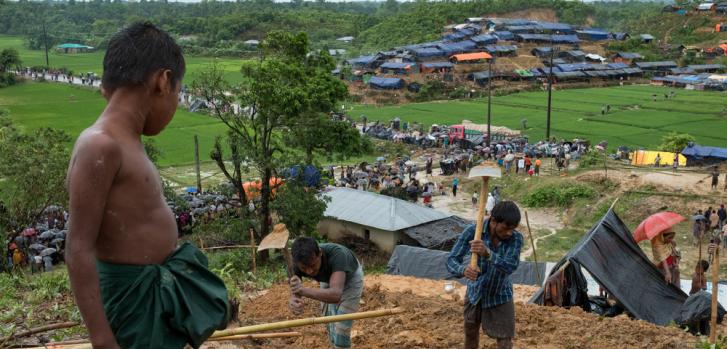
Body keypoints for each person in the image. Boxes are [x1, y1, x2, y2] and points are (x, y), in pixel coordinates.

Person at [65, 22, 228, 349]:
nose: (176, 103)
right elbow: (77, 248)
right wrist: (102, 340)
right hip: (132, 306)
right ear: (163, 81)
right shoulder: (101, 145)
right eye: (179, 93)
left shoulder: (129, 140)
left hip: (152, 298)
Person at [446, 201, 523, 349]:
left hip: (500, 294)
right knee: (470, 333)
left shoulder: (516, 239)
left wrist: (488, 254)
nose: (509, 233)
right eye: (506, 228)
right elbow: (451, 260)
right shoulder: (473, 232)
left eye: (512, 229)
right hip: (475, 293)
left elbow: (510, 266)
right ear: (493, 221)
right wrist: (463, 270)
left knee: (505, 342)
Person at [289, 235, 364, 349]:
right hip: (328, 279)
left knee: (341, 330)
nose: (309, 271)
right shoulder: (296, 263)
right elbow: (295, 289)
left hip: (351, 279)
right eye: (304, 268)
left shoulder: (338, 255)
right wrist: (293, 299)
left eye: (313, 265)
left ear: (320, 253)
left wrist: (303, 290)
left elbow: (335, 295)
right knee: (329, 321)